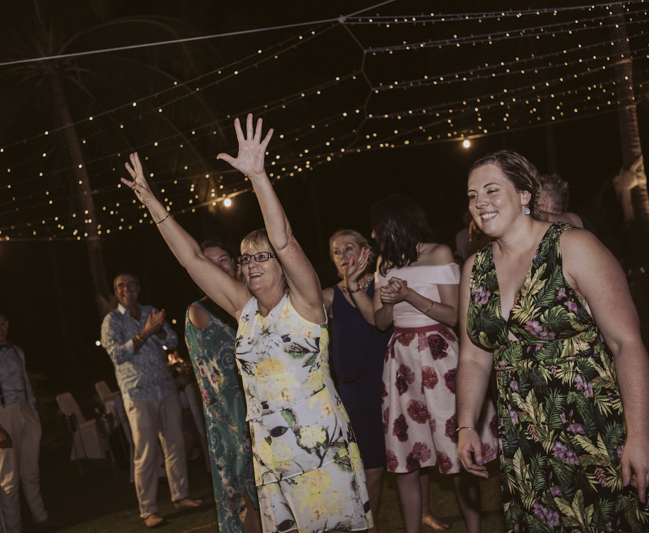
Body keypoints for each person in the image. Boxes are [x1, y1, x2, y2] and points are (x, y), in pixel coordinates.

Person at [121, 114, 372, 533]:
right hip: (271, 452)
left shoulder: (307, 303)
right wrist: (150, 201)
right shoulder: (244, 310)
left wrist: (258, 177)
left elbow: (285, 240)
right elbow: (191, 259)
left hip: (319, 446)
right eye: (246, 257)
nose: (252, 264)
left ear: (280, 265)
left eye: (262, 256)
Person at [457, 150, 649, 531]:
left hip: (600, 423)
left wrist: (638, 435)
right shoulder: (474, 269)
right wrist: (466, 425)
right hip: (529, 435)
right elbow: (474, 357)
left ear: (525, 194)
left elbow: (627, 343)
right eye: (473, 195)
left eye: (492, 190)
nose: (480, 203)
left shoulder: (572, 246)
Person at [370, 195, 498, 533]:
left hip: (439, 355)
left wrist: (410, 295)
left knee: (454, 449)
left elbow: (454, 314)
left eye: (378, 228)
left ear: (395, 226)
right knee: (406, 455)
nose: (373, 234)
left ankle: (475, 530)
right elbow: (381, 321)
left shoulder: (439, 253)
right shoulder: (384, 262)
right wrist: (386, 301)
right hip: (401, 361)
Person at [322, 229, 449, 532]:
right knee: (373, 466)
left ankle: (424, 511)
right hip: (356, 389)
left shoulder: (384, 285)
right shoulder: (329, 296)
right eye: (336, 252)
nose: (343, 257)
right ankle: (370, 525)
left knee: (414, 451)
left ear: (366, 251)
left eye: (349, 248)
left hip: (393, 378)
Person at [100, 272, 202, 529]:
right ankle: (148, 510)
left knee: (175, 445)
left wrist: (156, 331)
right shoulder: (111, 321)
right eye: (121, 286)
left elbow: (172, 340)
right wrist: (145, 332)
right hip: (137, 393)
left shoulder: (150, 311)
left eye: (131, 284)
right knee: (146, 453)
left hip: (165, 388)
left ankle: (181, 496)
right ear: (116, 292)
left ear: (139, 287)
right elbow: (117, 355)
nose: (126, 289)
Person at [184, 240, 261, 533]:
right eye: (210, 261)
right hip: (232, 418)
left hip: (260, 407)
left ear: (236, 263)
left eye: (224, 260)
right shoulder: (199, 310)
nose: (218, 267)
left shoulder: (251, 302)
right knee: (247, 496)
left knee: (266, 496)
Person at [0, 309, 51, 532]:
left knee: (31, 471)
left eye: (2, 325)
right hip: (2, 415)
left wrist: (32, 409)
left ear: (8, 324)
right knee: (9, 478)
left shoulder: (16, 351)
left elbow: (25, 379)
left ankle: (41, 517)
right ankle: (13, 528)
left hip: (25, 411)